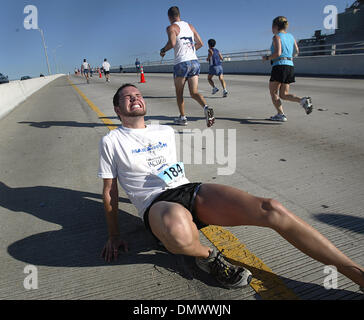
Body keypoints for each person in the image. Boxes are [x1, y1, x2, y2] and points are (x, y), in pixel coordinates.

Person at [99, 83, 364, 291]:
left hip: (189, 191)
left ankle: (357, 275)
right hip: (157, 204)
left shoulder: (165, 131)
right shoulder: (112, 140)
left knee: (272, 208)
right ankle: (208, 257)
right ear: (117, 109)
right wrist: (113, 234)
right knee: (177, 229)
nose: (135, 97)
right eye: (127, 97)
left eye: (138, 94)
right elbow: (110, 190)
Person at [160, 6, 215, 127]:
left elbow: (172, 43)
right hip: (194, 62)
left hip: (181, 63)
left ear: (169, 17)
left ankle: (183, 117)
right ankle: (207, 108)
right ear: (179, 14)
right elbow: (200, 43)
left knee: (179, 93)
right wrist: (190, 49)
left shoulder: (171, 27)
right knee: (194, 92)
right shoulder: (190, 26)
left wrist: (163, 50)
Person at [263, 16, 313, 122]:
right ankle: (303, 100)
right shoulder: (291, 36)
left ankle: (280, 114)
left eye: (272, 27)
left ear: (275, 26)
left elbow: (278, 53)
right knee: (284, 94)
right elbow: (296, 51)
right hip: (289, 66)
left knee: (273, 92)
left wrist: (267, 57)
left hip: (279, 66)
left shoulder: (276, 37)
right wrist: (288, 57)